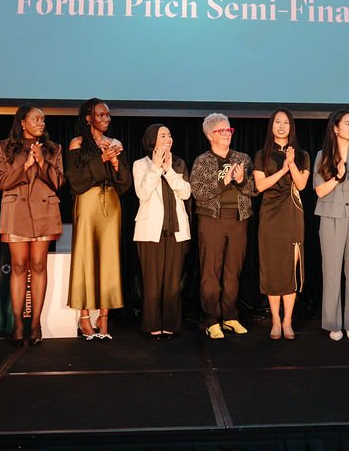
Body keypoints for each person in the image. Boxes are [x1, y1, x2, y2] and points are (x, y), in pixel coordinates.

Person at [0, 105, 65, 347]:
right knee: (18, 265)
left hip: (44, 212)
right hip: (16, 213)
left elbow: (58, 182)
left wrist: (42, 162)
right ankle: (17, 325)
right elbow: (1, 181)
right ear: (22, 123)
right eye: (36, 119)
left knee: (38, 265)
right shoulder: (5, 147)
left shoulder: (53, 149)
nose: (41, 123)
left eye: (43, 119)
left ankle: (35, 325)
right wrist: (24, 166)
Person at [67, 98, 132, 340]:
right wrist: (101, 160)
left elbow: (125, 183)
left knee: (109, 258)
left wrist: (115, 162)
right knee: (86, 256)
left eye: (108, 115)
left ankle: (103, 317)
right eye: (101, 115)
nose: (106, 119)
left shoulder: (115, 144)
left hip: (111, 203)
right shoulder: (78, 143)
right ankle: (84, 316)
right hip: (87, 201)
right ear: (88, 118)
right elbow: (75, 180)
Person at [190, 113, 256, 339]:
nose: (227, 134)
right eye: (222, 131)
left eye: (229, 130)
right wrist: (224, 181)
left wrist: (241, 180)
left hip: (239, 220)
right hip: (212, 220)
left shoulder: (242, 158)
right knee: (211, 271)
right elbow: (198, 192)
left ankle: (230, 316)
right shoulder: (203, 161)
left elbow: (253, 190)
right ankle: (211, 319)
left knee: (233, 270)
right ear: (210, 135)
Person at [313, 110, 349, 341]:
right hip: (330, 216)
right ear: (335, 128)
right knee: (331, 270)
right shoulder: (323, 155)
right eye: (347, 123)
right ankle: (332, 323)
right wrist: (338, 177)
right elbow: (319, 190)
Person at [253, 109, 310, 340]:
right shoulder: (262, 154)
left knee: (289, 268)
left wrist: (292, 164)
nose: (281, 126)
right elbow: (260, 186)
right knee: (272, 267)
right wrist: (283, 169)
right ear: (271, 126)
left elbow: (302, 184)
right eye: (277, 122)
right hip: (269, 214)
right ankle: (275, 321)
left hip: (292, 214)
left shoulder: (302, 154)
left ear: (291, 127)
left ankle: (288, 321)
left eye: (286, 122)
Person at [132, 124, 191, 338]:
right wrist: (156, 168)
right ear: (152, 140)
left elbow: (185, 193)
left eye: (169, 135)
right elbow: (143, 193)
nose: (168, 138)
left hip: (177, 230)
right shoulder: (141, 164)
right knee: (152, 280)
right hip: (150, 231)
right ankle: (152, 324)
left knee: (173, 281)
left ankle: (171, 324)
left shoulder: (179, 163)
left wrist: (169, 171)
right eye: (162, 135)